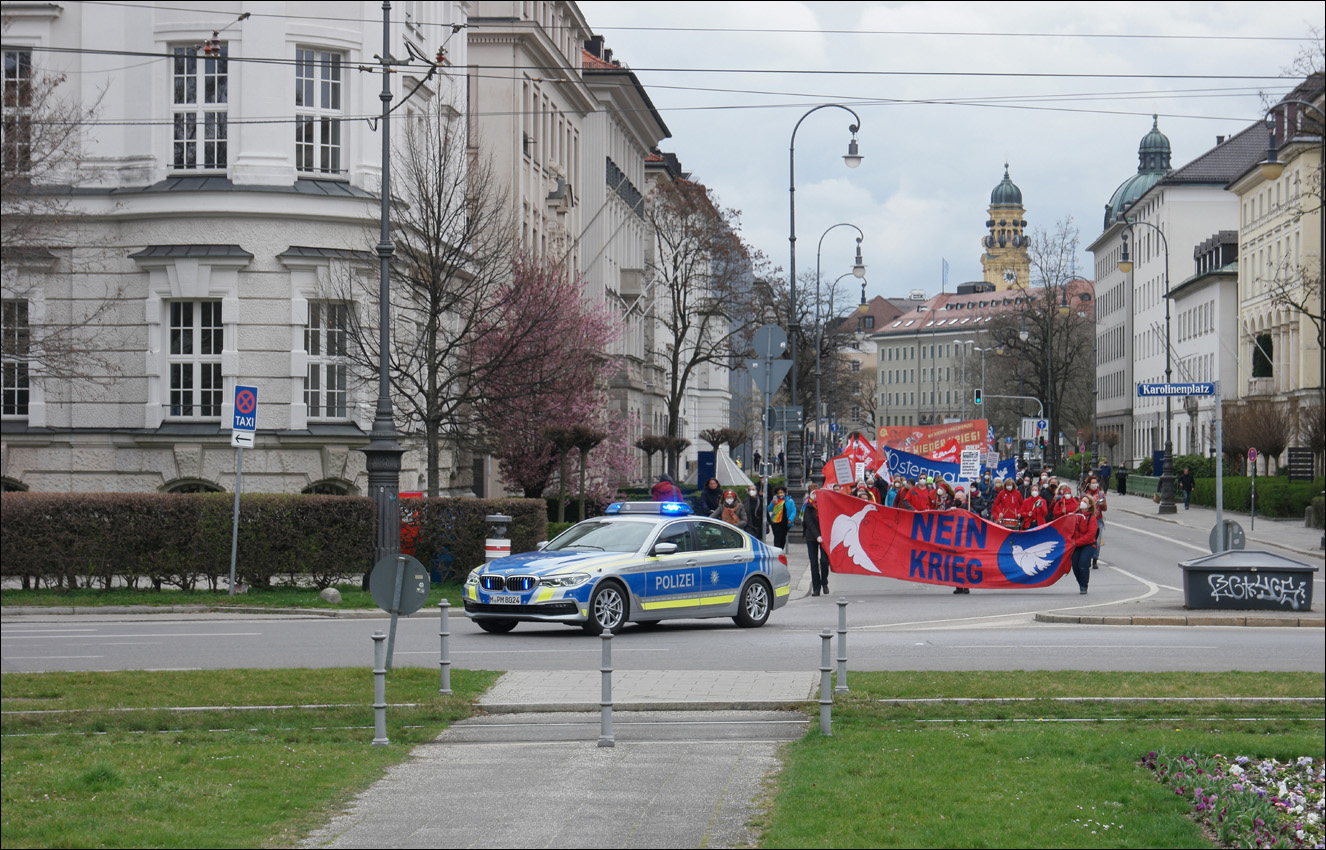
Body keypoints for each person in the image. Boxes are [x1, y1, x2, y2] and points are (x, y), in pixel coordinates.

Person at [801, 486, 831, 596]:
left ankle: (824, 583)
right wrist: (817, 535)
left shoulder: (825, 505)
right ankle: (816, 587)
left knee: (824, 561)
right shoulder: (807, 506)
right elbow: (809, 523)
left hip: (824, 537)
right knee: (814, 563)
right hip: (811, 537)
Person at [1070, 495, 1099, 594]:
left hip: (1088, 545)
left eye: (1085, 502)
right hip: (1075, 545)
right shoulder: (1075, 515)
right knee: (1075, 565)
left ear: (1090, 505)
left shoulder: (1091, 518)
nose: (1082, 503)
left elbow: (1090, 535)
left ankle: (1084, 585)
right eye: (1082, 501)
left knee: (1083, 564)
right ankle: (1080, 582)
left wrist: (1076, 542)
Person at [1083, 473, 1107, 568]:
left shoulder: (1100, 494)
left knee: (1097, 541)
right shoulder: (1085, 494)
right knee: (1088, 540)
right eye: (1092, 483)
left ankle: (1095, 559)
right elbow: (1080, 506)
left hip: (1098, 520)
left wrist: (1102, 504)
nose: (1094, 484)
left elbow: (1105, 508)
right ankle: (1088, 558)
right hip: (1087, 520)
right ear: (1089, 484)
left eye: (1095, 483)